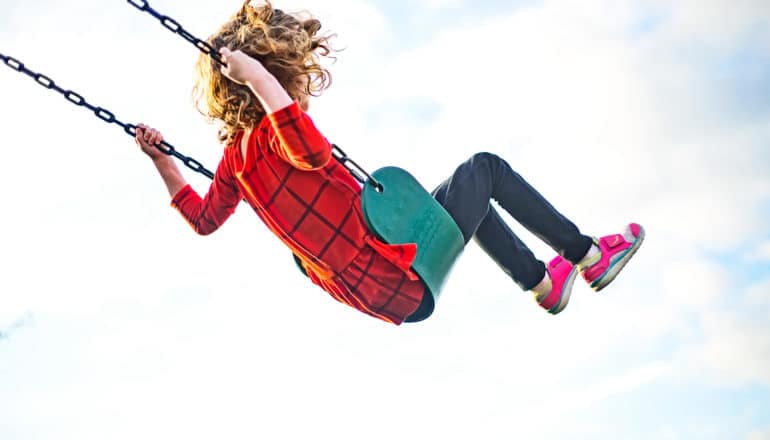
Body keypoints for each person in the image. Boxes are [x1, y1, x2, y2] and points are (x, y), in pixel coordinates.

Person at [134, 1, 644, 325]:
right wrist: (257, 77)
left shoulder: (234, 162)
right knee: (485, 169)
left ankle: (542, 284)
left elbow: (203, 219)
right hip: (396, 270)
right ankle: (588, 255)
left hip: (380, 288)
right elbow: (307, 149)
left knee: (466, 203)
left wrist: (162, 161)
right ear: (269, 75)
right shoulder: (271, 135)